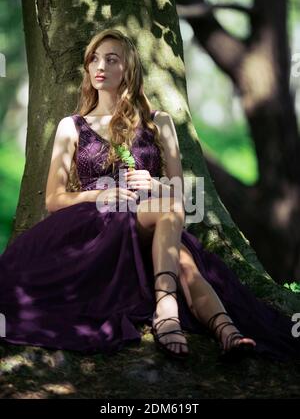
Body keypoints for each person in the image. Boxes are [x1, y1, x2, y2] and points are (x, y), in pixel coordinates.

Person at [0, 29, 299, 363]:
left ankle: (227, 332)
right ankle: (168, 310)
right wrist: (100, 195)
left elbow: (180, 194)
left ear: (128, 68)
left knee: (187, 260)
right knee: (183, 258)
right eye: (94, 59)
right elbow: (53, 200)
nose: (99, 66)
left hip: (151, 221)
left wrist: (154, 186)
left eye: (111, 59)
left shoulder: (159, 123)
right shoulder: (72, 126)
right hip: (96, 226)